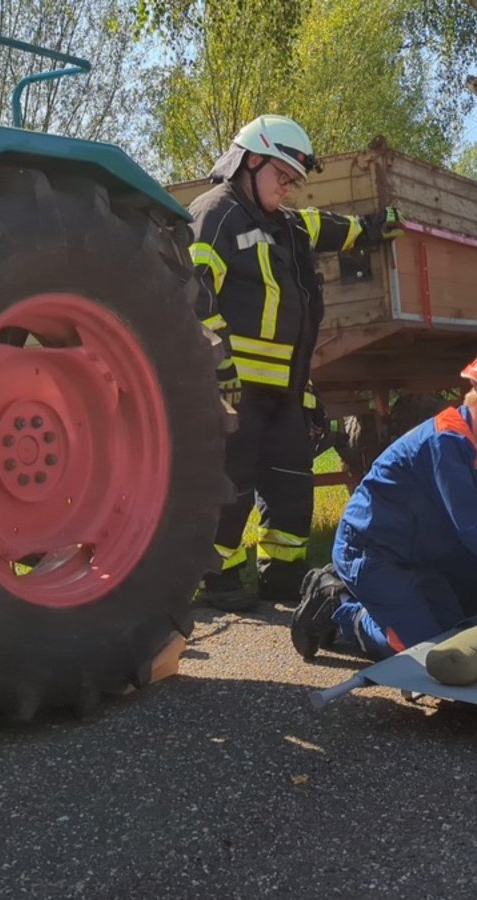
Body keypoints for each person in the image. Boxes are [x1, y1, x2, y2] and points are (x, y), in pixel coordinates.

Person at [188, 115, 404, 612]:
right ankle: (216, 579)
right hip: (234, 387)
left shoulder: (284, 224)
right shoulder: (215, 213)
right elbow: (193, 295)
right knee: (229, 486)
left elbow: (324, 226)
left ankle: (282, 578)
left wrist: (372, 228)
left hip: (285, 390)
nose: (287, 187)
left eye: (293, 180)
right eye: (281, 175)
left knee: (290, 486)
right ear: (250, 161)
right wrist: (220, 368)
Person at [290, 348, 477, 661]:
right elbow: (475, 528)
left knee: (451, 632)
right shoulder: (446, 443)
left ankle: (367, 603)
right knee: (420, 647)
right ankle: (338, 605)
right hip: (370, 551)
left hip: (411, 556)